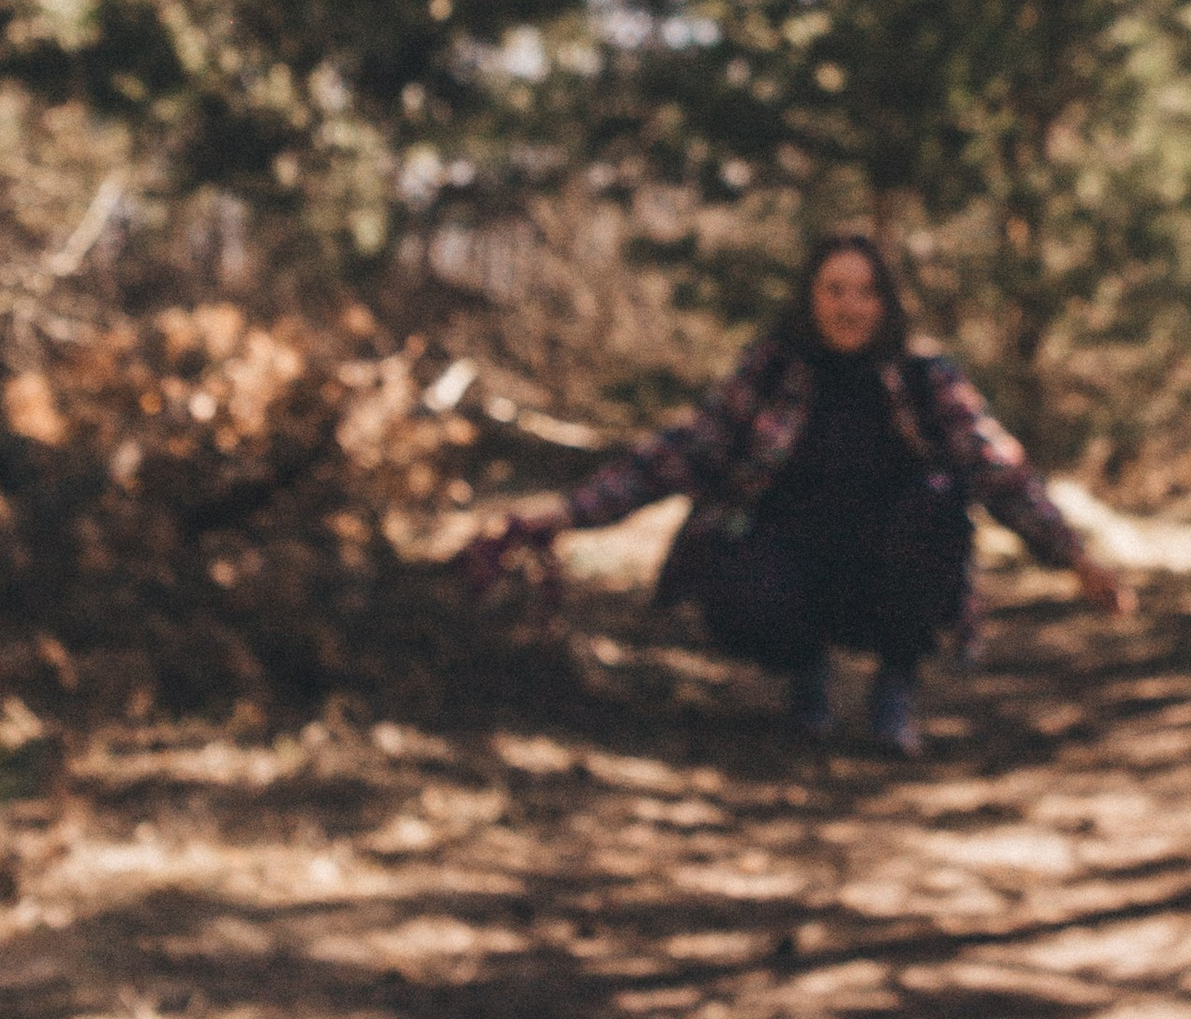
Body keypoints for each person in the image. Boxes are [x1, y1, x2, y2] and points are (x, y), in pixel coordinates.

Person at [460, 236, 1131, 756]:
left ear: (888, 302)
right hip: (793, 561)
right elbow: (684, 450)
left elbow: (997, 467)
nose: (849, 306)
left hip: (890, 569)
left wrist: (1073, 557)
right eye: (834, 289)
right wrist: (566, 513)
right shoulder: (773, 368)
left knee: (936, 500)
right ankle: (805, 670)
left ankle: (896, 682)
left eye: (866, 292)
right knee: (724, 557)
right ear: (810, 297)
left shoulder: (926, 377)